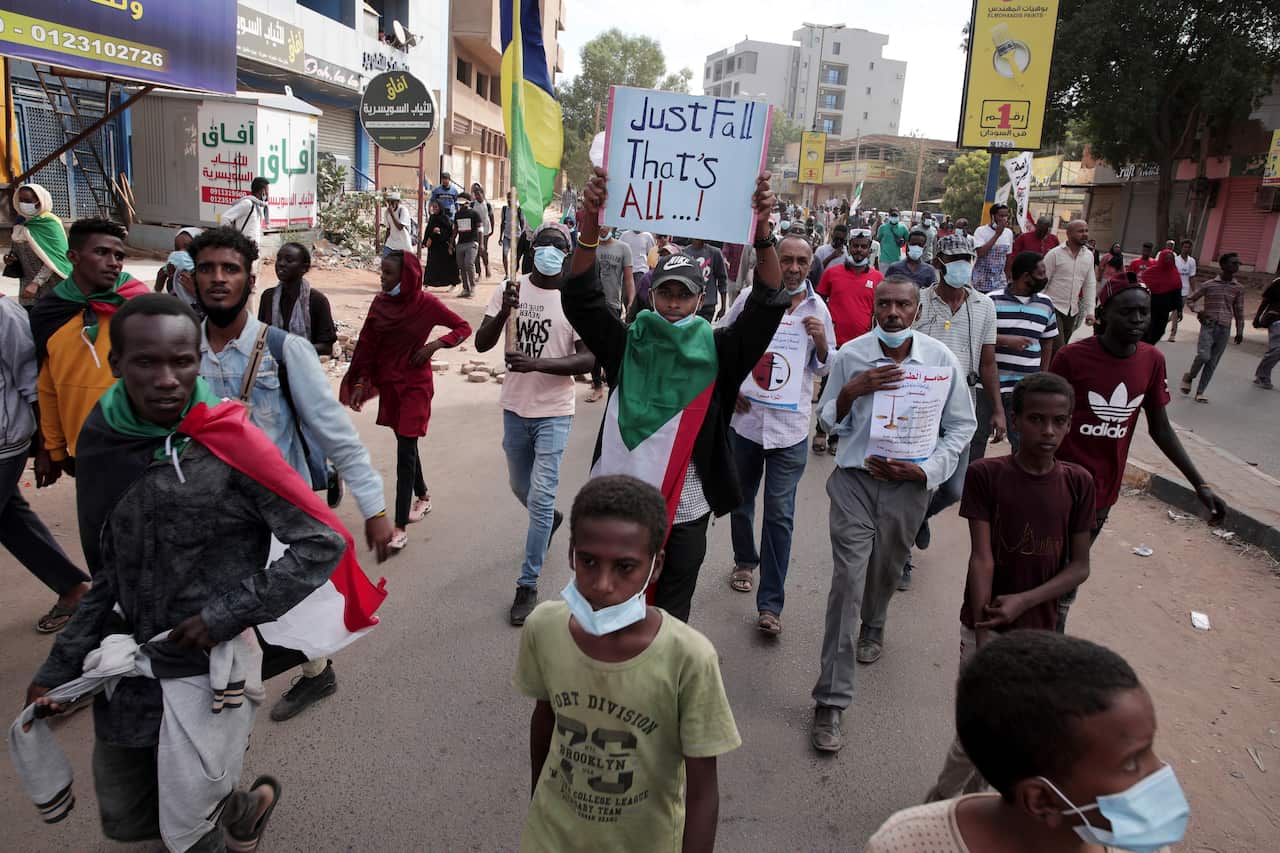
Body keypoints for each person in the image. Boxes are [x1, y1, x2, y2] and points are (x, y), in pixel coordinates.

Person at [23, 294, 368, 853]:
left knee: (190, 830)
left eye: (181, 361)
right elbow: (109, 572)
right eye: (146, 362)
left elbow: (321, 542)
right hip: (127, 677)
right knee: (130, 820)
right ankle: (244, 806)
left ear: (196, 360)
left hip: (207, 676)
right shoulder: (106, 440)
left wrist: (223, 616)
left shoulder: (230, 444)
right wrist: (62, 666)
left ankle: (226, 811)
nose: (166, 379)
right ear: (117, 365)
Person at [561, 166, 786, 624]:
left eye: (684, 295)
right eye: (665, 293)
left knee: (670, 615)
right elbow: (580, 299)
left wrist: (762, 230)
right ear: (651, 295)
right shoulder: (626, 344)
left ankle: (657, 690)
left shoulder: (720, 352)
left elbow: (768, 302)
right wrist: (588, 222)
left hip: (686, 510)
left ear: (700, 299)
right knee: (607, 602)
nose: (674, 303)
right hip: (621, 506)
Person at [191, 227, 394, 722]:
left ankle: (310, 672)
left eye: (230, 269)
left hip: (278, 511)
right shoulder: (181, 351)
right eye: (207, 269)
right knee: (216, 607)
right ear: (192, 279)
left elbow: (335, 434)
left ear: (248, 277)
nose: (218, 279)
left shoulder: (284, 350)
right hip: (206, 508)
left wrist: (375, 508)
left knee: (291, 611)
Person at [514, 475, 741, 851]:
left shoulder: (688, 659)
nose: (603, 584)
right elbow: (545, 717)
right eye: (588, 561)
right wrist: (538, 804)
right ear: (571, 553)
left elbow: (702, 791)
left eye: (625, 567)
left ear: (655, 566)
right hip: (550, 837)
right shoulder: (544, 627)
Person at [810, 277, 976, 752]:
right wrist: (851, 392)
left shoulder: (941, 362)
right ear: (874, 308)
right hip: (855, 485)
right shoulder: (851, 357)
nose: (893, 313)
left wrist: (926, 471)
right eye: (884, 304)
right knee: (847, 582)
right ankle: (831, 701)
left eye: (903, 305)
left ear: (917, 308)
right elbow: (826, 421)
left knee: (884, 571)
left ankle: (876, 622)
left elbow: (962, 425)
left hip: (908, 490)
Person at [922, 372, 1095, 802]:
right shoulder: (987, 475)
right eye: (1037, 419)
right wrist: (984, 635)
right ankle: (933, 811)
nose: (1048, 431)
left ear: (1070, 424)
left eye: (1059, 421)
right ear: (1015, 421)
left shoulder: (1078, 483)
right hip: (986, 624)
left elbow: (1078, 567)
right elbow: (982, 557)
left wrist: (1025, 601)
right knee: (973, 735)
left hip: (1037, 631)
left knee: (1013, 733)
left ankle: (980, 807)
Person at [867, 631, 1189, 853]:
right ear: (1041, 800)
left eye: (1151, 750)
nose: (1159, 770)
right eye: (1132, 762)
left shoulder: (1140, 845)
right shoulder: (906, 844)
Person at [1051, 275, 1226, 631]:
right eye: (1127, 312)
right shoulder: (1071, 358)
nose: (1137, 320)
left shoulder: (1152, 360)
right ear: (1102, 314)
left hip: (1101, 494)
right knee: (1042, 567)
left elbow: (1160, 428)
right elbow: (1044, 419)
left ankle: (1045, 643)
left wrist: (1200, 485)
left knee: (1067, 577)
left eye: (1143, 313)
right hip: (1056, 487)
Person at [474, 222, 596, 626]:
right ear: (532, 249)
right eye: (543, 243)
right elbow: (482, 343)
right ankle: (549, 521)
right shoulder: (510, 288)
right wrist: (506, 309)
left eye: (558, 245)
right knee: (519, 487)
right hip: (514, 408)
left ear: (568, 251)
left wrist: (538, 363)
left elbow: (587, 360)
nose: (549, 250)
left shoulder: (573, 298)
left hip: (554, 412)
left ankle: (527, 583)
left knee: (541, 499)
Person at [724, 234, 833, 636]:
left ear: (809, 265)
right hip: (748, 424)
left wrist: (821, 340)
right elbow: (725, 341)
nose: (792, 267)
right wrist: (732, 385)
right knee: (740, 500)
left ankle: (770, 605)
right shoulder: (751, 298)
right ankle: (744, 561)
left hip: (789, 432)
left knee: (780, 516)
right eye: (785, 259)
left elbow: (824, 367)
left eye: (801, 261)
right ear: (773, 260)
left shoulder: (818, 309)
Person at [342, 250, 472, 550]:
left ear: (406, 277)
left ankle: (398, 527)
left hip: (415, 385)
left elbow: (463, 327)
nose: (382, 278)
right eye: (382, 272)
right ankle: (423, 496)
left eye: (388, 273)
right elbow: (366, 344)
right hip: (390, 383)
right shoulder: (380, 303)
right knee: (406, 441)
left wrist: (435, 345)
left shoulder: (426, 304)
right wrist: (360, 381)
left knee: (404, 453)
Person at [902, 234, 1002, 592]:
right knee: (917, 482)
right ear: (939, 262)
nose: (962, 264)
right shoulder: (919, 302)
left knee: (955, 488)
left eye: (967, 258)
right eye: (955, 258)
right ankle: (902, 558)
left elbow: (988, 362)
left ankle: (916, 522)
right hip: (921, 403)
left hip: (963, 407)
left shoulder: (985, 307)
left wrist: (998, 411)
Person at [29, 218, 148, 487]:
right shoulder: (50, 313)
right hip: (84, 449)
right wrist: (52, 448)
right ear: (73, 257)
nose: (114, 262)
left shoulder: (139, 305)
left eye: (119, 255)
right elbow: (46, 387)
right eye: (101, 252)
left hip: (140, 446)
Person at [0, 291, 90, 633]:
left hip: (5, 444)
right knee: (10, 520)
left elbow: (33, 383)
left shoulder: (5, 315)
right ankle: (73, 590)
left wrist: (45, 448)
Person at [813, 232, 883, 457]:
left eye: (864, 246)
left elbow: (878, 312)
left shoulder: (877, 278)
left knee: (851, 393)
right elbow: (819, 302)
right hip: (834, 345)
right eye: (855, 246)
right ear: (849, 247)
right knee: (828, 389)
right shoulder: (832, 274)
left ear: (869, 248)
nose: (859, 250)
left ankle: (836, 436)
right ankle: (821, 431)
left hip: (861, 348)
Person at [990, 251, 1058, 451]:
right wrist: (1004, 340)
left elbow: (1047, 342)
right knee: (976, 440)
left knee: (1023, 442)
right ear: (1026, 277)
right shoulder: (991, 301)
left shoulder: (1045, 304)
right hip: (990, 385)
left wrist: (1042, 376)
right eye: (1041, 273)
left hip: (1025, 388)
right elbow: (976, 338)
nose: (1045, 278)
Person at [1180, 253, 1245, 403]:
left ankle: (1200, 392)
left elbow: (1239, 312)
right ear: (1223, 265)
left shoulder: (1238, 288)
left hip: (1225, 328)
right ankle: (1190, 376)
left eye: (1238, 263)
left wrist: (1240, 330)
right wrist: (1198, 311)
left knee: (1213, 361)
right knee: (1204, 356)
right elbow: (1191, 299)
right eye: (1233, 263)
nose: (1236, 266)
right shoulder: (1209, 284)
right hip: (1209, 325)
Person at [257, 242, 338, 357]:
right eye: (279, 259)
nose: (281, 264)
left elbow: (326, 347)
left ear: (304, 268)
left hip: (304, 369)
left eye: (289, 260)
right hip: (272, 369)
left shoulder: (317, 300)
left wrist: (291, 349)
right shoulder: (268, 297)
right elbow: (261, 338)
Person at [585, 225, 635, 403]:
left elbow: (628, 279)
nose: (603, 229)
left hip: (613, 304)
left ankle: (612, 382)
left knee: (613, 347)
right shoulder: (590, 248)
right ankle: (597, 386)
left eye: (606, 225)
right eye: (600, 225)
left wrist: (631, 301)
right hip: (592, 304)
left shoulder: (623, 248)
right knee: (593, 347)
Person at [6, 182, 71, 308]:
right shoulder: (20, 223)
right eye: (21, 200)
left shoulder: (50, 224)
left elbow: (55, 258)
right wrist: (11, 258)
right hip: (27, 285)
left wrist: (36, 283)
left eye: (28, 200)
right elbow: (16, 249)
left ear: (39, 201)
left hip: (52, 284)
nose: (23, 204)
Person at [1042, 219, 1097, 352]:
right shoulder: (1054, 254)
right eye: (1080, 231)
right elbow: (1042, 282)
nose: (1085, 234)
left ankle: (1048, 370)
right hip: (1052, 308)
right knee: (1059, 348)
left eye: (1086, 231)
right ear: (1069, 233)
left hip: (1072, 311)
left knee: (1060, 347)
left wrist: (1090, 312)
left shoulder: (1089, 256)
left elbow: (1089, 284)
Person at [1139, 247, 1184, 344]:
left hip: (1164, 309)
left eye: (1170, 258)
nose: (1168, 260)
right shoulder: (1151, 272)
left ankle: (1149, 346)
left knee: (1159, 330)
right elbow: (1141, 287)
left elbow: (1177, 294)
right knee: (1147, 328)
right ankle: (1142, 347)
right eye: (1166, 258)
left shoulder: (1175, 274)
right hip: (1149, 307)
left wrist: (1179, 310)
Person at [220, 177, 269, 265]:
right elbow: (225, 218)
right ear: (263, 191)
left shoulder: (258, 206)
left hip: (253, 251)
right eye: (267, 190)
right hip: (242, 250)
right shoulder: (247, 203)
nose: (269, 194)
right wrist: (232, 239)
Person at [681, 236, 729, 321]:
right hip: (689, 303)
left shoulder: (715, 253)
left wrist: (723, 306)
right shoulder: (684, 253)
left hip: (708, 305)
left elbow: (722, 280)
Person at [971, 204, 1014, 293]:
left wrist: (1007, 278)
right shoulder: (981, 231)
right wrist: (997, 234)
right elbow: (980, 253)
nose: (1004, 219)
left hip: (1000, 282)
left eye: (1006, 216)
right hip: (981, 282)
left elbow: (1008, 257)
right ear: (993, 216)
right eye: (1001, 216)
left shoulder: (1008, 233)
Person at [423, 200, 460, 289]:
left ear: (440, 208)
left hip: (444, 246)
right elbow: (428, 230)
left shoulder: (445, 218)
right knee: (431, 265)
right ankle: (427, 284)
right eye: (433, 207)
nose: (434, 209)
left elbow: (450, 232)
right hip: (434, 246)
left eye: (436, 207)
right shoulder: (432, 218)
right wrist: (424, 241)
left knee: (448, 266)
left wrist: (440, 231)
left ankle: (453, 284)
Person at [453, 193, 483, 298]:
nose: (460, 206)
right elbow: (456, 229)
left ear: (467, 202)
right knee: (461, 267)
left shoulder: (474, 214)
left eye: (462, 203)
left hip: (472, 243)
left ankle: (473, 288)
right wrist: (451, 242)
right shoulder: (457, 214)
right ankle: (466, 289)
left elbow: (480, 229)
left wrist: (481, 243)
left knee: (469, 264)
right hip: (460, 243)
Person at [1253, 277, 1280, 389]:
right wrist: (1257, 317)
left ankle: (1262, 374)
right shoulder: (1278, 282)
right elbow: (1266, 300)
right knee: (1277, 349)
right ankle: (1262, 375)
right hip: (1277, 319)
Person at [1169, 239, 1197, 342]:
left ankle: (1167, 327)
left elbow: (1192, 277)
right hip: (1174, 289)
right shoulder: (1175, 260)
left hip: (1185, 290)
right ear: (1181, 248)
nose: (1186, 249)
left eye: (1188, 247)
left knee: (1177, 311)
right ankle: (1173, 333)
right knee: (1176, 311)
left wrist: (1194, 291)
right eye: (1185, 247)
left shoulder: (1192, 261)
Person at [499, 194, 527, 278]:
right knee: (504, 254)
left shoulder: (519, 210)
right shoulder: (504, 209)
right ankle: (506, 274)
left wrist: (522, 237)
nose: (509, 201)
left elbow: (522, 223)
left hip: (517, 237)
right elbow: (502, 223)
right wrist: (500, 237)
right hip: (506, 236)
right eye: (508, 200)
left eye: (510, 200)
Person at [470, 182, 493, 278]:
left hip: (485, 231)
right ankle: (478, 273)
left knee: (483, 251)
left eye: (479, 194)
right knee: (475, 252)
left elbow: (491, 217)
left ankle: (487, 267)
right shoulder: (472, 205)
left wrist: (492, 230)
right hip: (475, 231)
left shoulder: (487, 205)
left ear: (482, 194)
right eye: (476, 194)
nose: (478, 196)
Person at [381, 190, 413, 256]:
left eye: (392, 202)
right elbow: (388, 229)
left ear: (397, 202)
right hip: (391, 242)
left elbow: (400, 227)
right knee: (385, 261)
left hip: (403, 243)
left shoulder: (403, 210)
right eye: (388, 202)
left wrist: (392, 214)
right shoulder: (387, 212)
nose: (390, 204)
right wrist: (385, 243)